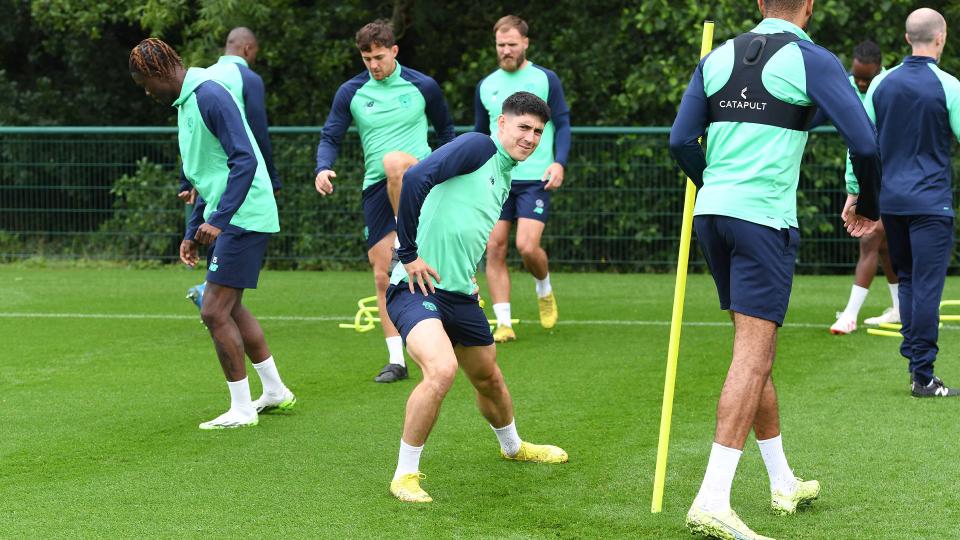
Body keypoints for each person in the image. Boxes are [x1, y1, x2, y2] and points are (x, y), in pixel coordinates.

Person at [669, 0, 882, 537]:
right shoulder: (812, 58)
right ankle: (712, 499)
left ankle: (781, 479)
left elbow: (679, 141)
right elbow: (863, 142)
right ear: (808, 6)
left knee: (751, 347)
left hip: (712, 214)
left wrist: (714, 183)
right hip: (762, 221)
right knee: (753, 354)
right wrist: (869, 204)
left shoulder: (717, 56)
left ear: (761, 3)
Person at [386, 92, 567, 503]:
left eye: (538, 132)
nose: (531, 138)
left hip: (461, 294)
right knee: (441, 370)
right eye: (523, 127)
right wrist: (409, 254)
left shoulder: (505, 174)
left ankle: (513, 447)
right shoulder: (479, 145)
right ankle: (405, 474)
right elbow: (415, 178)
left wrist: (467, 277)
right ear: (501, 124)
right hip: (417, 289)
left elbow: (460, 224)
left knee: (489, 378)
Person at [130, 38, 296, 429]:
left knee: (213, 309)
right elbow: (205, 174)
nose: (147, 92)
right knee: (231, 309)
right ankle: (275, 391)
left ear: (159, 72)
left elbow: (244, 159)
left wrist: (219, 219)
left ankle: (241, 409)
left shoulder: (209, 95)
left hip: (244, 214)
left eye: (145, 84)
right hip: (229, 213)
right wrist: (192, 229)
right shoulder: (186, 102)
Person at [314, 19, 455, 383]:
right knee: (383, 275)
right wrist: (323, 168)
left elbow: (447, 134)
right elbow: (331, 134)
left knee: (396, 164)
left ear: (394, 51)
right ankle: (397, 361)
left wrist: (448, 177)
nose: (373, 65)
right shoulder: (351, 92)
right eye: (366, 59)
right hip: (377, 188)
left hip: (422, 178)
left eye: (378, 57)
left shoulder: (423, 85)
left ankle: (406, 244)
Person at [862, 8, 960, 397]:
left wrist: (857, 194)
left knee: (907, 281)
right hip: (931, 205)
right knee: (927, 288)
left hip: (893, 203)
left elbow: (863, 146)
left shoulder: (880, 85)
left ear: (907, 38)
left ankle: (916, 364)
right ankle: (923, 374)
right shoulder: (949, 86)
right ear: (942, 37)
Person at [475, 15, 570, 343]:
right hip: (496, 177)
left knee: (527, 246)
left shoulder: (545, 79)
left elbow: (563, 123)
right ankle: (503, 322)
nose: (506, 50)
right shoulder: (487, 85)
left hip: (535, 177)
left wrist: (559, 162)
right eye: (501, 45)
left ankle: (543, 287)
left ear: (525, 43)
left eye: (512, 44)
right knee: (494, 247)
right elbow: (479, 133)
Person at [179, 27, 283, 310]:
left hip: (210, 177)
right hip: (240, 177)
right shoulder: (247, 78)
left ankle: (214, 295)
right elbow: (257, 133)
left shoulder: (203, 76)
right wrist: (272, 177)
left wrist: (185, 181)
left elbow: (194, 135)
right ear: (248, 49)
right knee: (227, 231)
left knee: (218, 231)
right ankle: (213, 296)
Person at [830, 40, 900, 334]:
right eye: (856, 77)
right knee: (883, 246)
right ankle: (901, 308)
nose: (859, 83)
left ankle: (849, 315)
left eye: (865, 79)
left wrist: (855, 189)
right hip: (865, 174)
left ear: (878, 70)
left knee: (870, 238)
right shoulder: (846, 84)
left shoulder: (887, 86)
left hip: (888, 174)